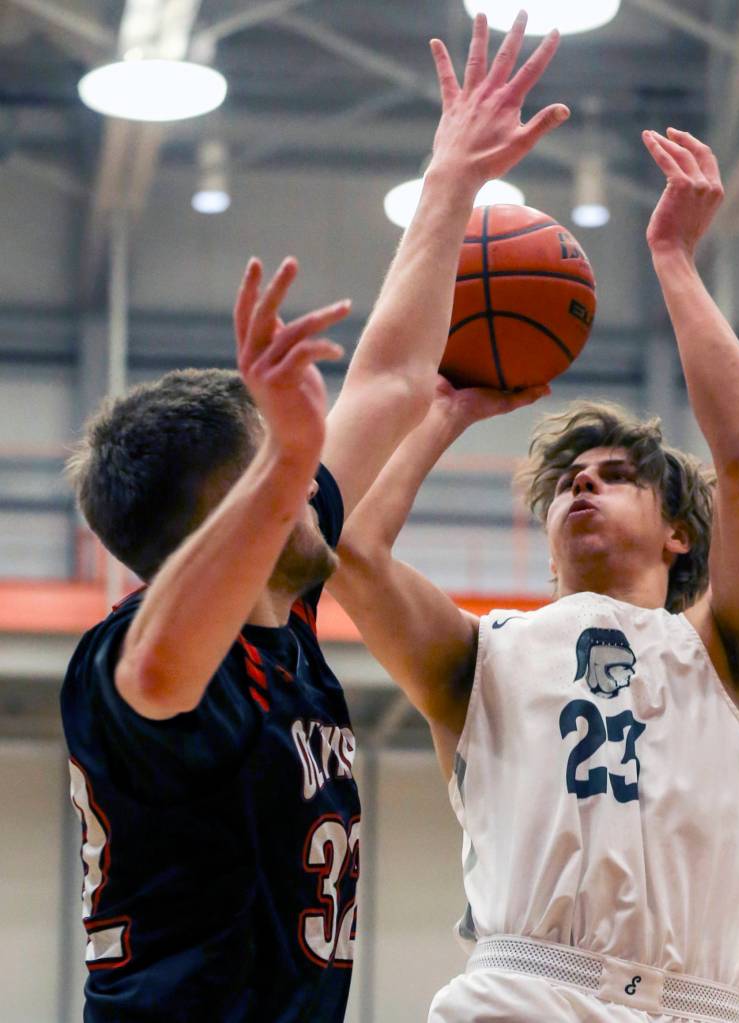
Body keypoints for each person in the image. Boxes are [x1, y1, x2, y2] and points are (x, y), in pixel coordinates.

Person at [60, 13, 568, 1021]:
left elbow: (387, 377)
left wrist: (451, 178)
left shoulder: (279, 612)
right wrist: (288, 452)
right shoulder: (134, 667)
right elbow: (163, 668)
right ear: (220, 523)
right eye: (276, 477)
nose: (310, 483)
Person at [328, 128, 739, 1022]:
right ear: (547, 541)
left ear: (679, 537)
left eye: (618, 475)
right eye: (567, 482)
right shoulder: (486, 652)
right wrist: (445, 408)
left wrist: (673, 258)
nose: (584, 481)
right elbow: (347, 547)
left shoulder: (734, 653)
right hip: (522, 990)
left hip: (698, 1003)